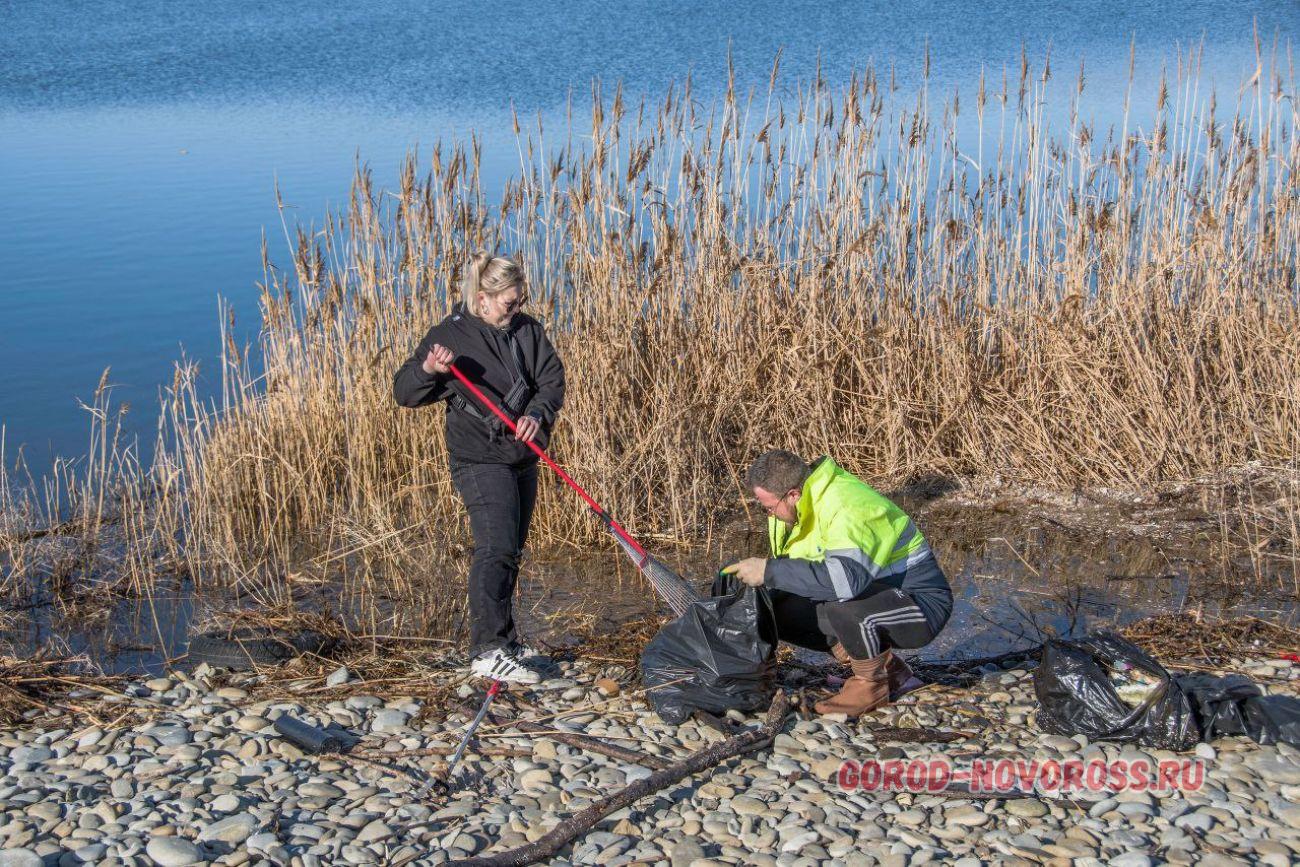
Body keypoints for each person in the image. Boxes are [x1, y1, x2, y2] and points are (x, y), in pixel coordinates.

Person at [392, 252, 565, 685]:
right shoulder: (450, 336)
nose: (516, 309)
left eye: (520, 300)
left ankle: (505, 641)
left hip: (523, 455)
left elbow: (551, 379)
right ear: (483, 299)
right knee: (495, 547)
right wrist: (431, 369)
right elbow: (405, 392)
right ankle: (486, 651)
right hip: (479, 458)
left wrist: (538, 415)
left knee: (512, 549)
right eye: (509, 302)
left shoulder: (527, 330)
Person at [723, 450, 953, 716]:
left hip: (921, 603)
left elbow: (846, 581)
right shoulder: (801, 508)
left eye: (769, 507)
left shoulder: (849, 505)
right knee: (777, 608)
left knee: (845, 609)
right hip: (875, 593)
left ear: (793, 494)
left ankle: (870, 688)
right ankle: (889, 670)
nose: (770, 516)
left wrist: (769, 570)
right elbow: (803, 574)